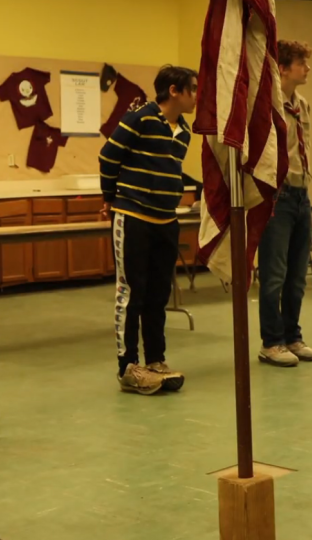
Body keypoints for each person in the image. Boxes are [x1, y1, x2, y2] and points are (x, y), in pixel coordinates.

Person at [100, 65, 197, 395]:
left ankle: (155, 360)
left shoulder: (183, 130)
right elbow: (108, 156)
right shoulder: (140, 118)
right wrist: (110, 198)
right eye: (193, 89)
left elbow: (169, 170)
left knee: (158, 294)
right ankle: (128, 366)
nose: (197, 96)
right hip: (133, 216)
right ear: (174, 90)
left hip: (166, 220)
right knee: (131, 293)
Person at [257, 41, 312, 367]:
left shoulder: (302, 104)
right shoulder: (267, 104)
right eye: (301, 63)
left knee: (297, 274)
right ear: (282, 67)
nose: (307, 68)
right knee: (274, 275)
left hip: (300, 194)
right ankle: (272, 342)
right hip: (277, 197)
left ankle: (293, 336)